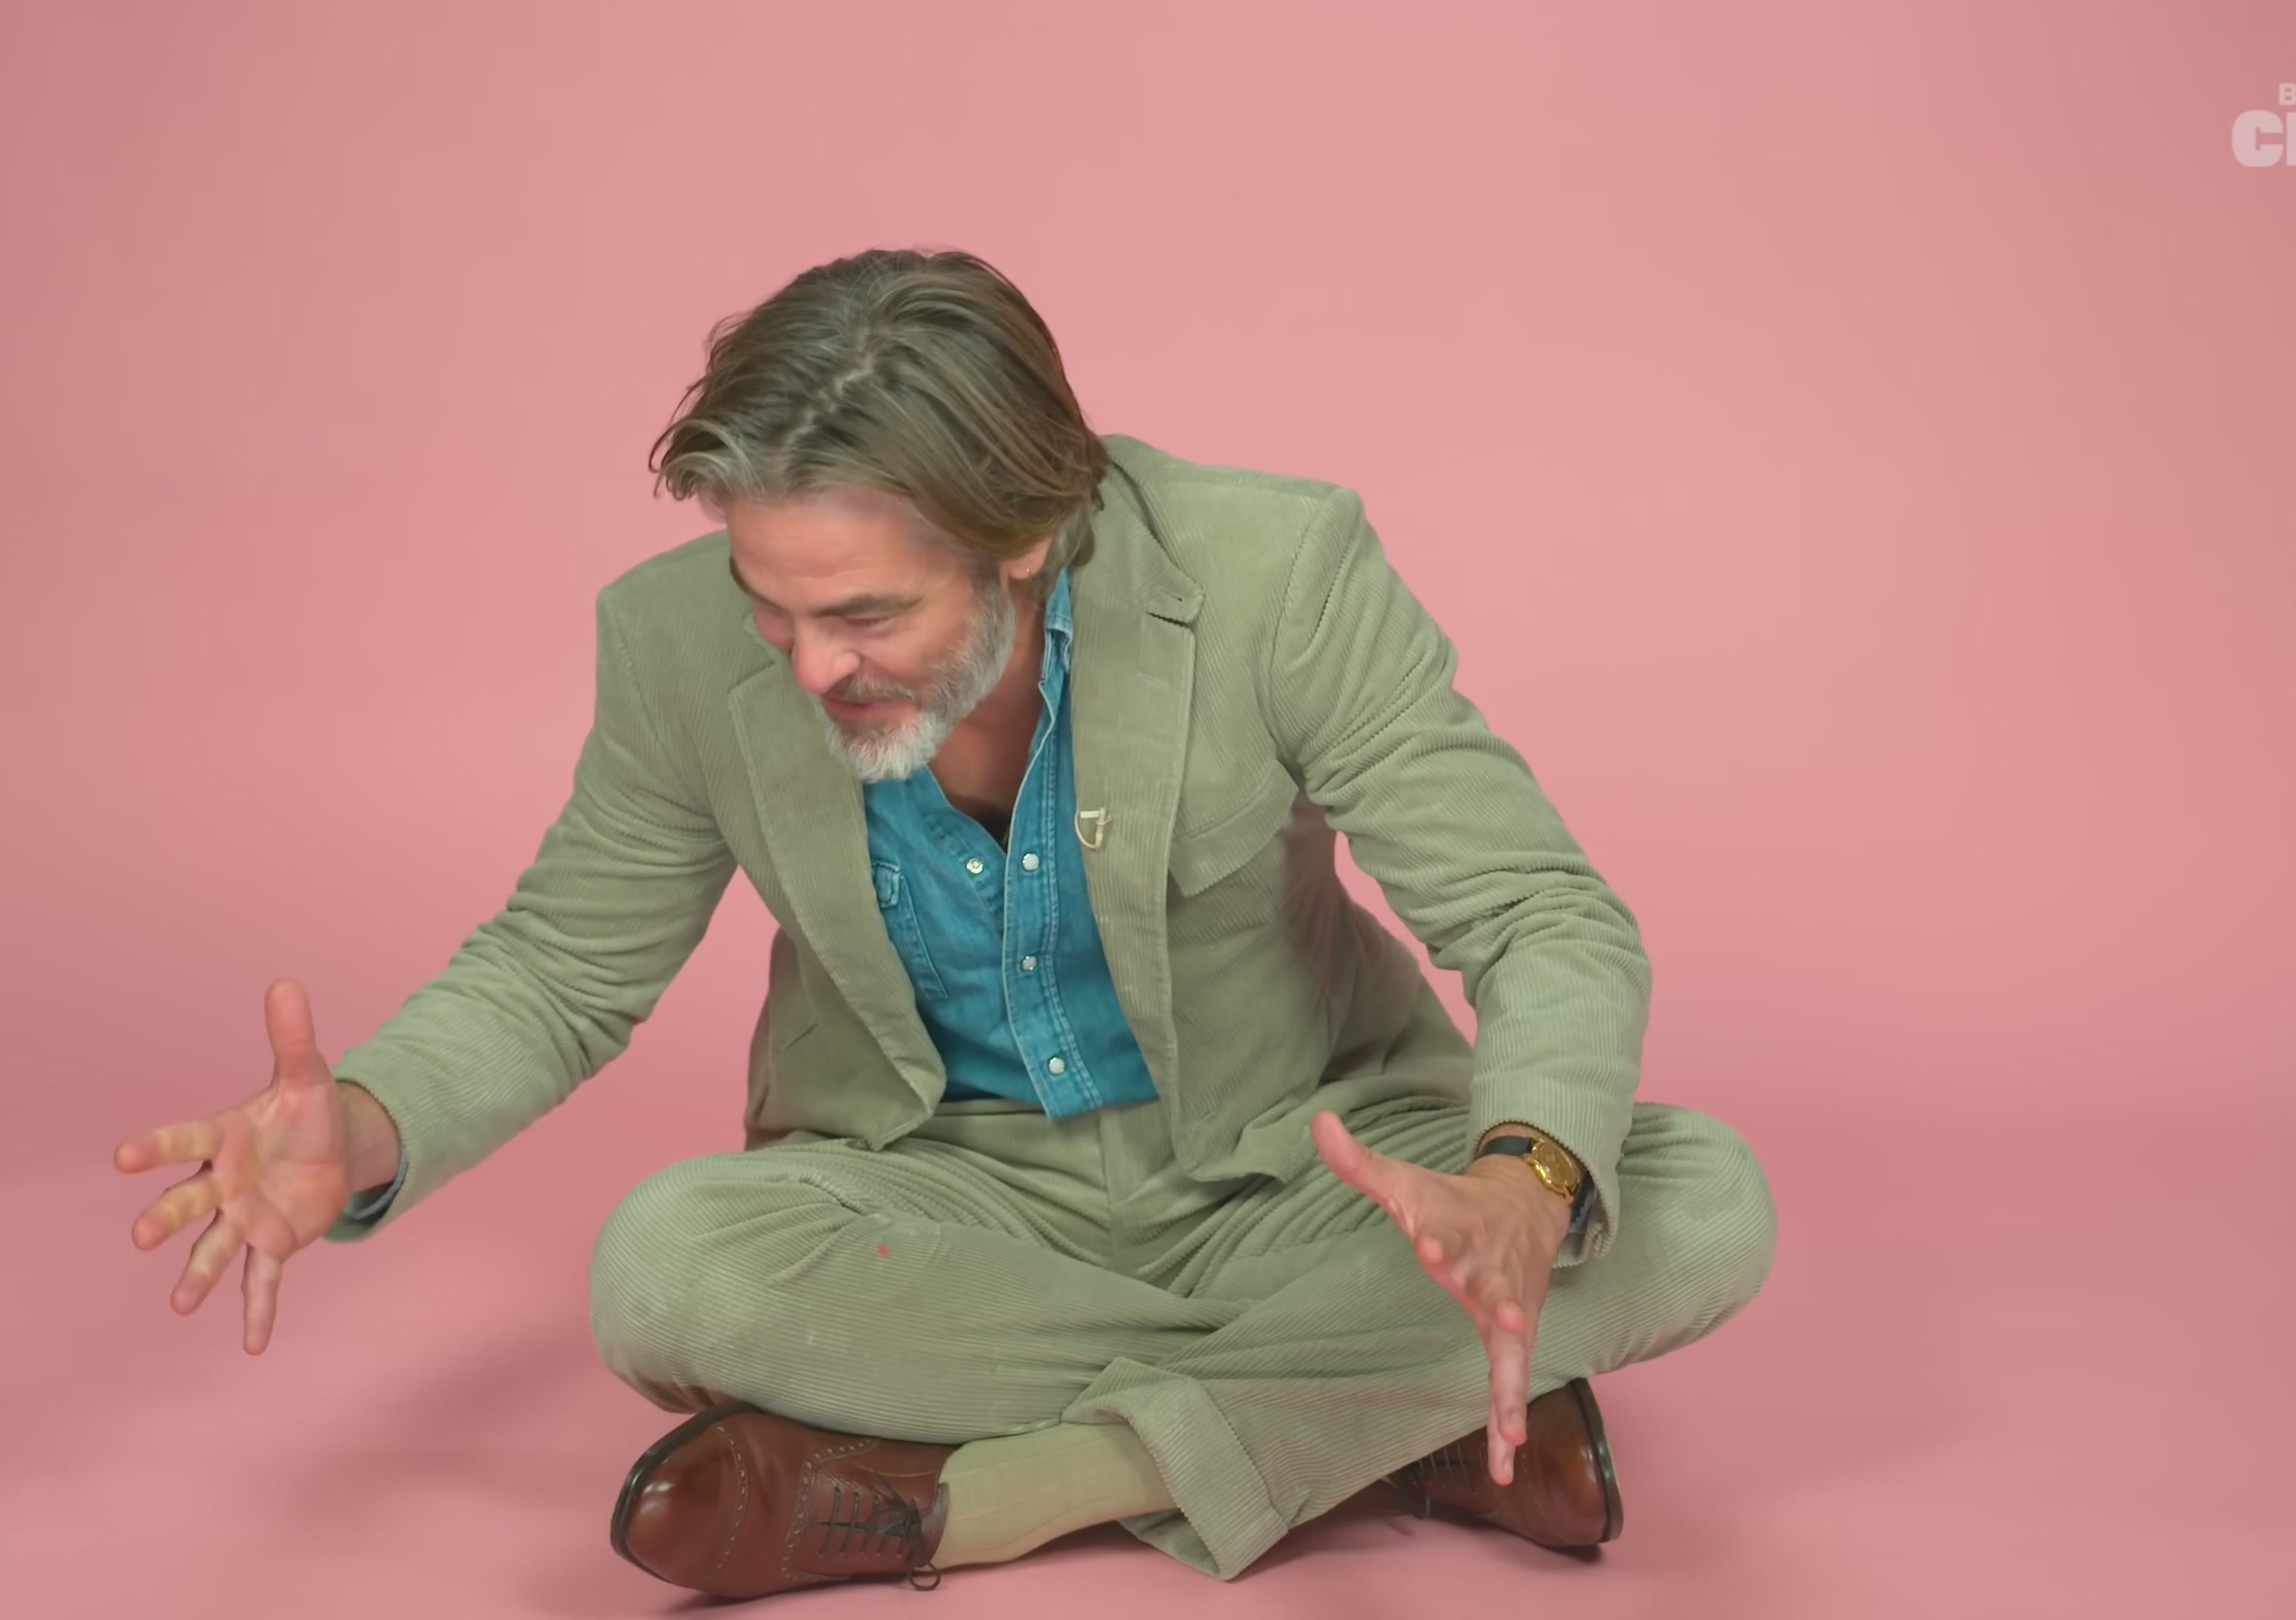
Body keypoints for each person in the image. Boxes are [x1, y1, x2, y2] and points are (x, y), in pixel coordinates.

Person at [111, 248, 1777, 1598]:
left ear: (1027, 533)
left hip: (1300, 1164)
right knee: (663, 1274)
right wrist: (369, 1123)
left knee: (1704, 1202)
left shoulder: (1281, 577)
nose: (808, 664)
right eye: (769, 605)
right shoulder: (672, 649)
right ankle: (1392, 1429)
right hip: (944, 1204)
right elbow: (559, 969)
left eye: (865, 613)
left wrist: (1520, 1185)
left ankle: (1001, 1496)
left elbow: (1536, 911)